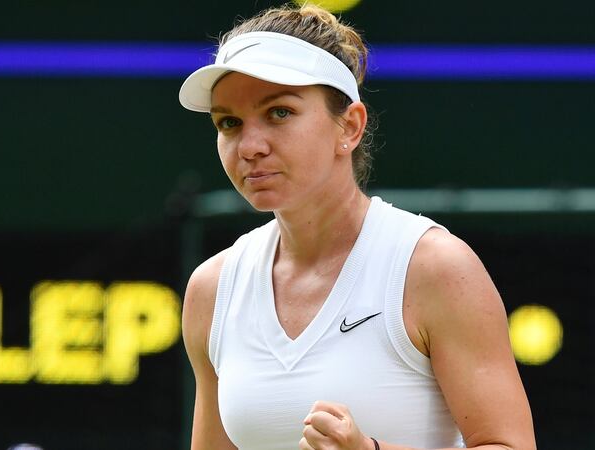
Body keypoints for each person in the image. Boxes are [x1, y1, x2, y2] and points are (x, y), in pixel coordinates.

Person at [178, 4, 535, 450]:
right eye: (229, 123)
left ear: (349, 127)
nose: (249, 146)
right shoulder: (211, 290)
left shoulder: (436, 267)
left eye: (279, 113)